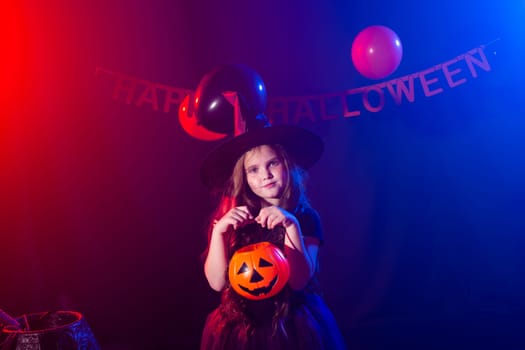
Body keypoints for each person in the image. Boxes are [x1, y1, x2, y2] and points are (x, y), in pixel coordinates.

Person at [198, 111, 347, 349]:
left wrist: (291, 225)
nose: (265, 175)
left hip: (291, 328)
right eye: (253, 170)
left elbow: (299, 281)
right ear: (243, 177)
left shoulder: (306, 218)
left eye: (272, 163)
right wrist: (219, 233)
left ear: (287, 164)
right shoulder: (239, 220)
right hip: (242, 329)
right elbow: (217, 282)